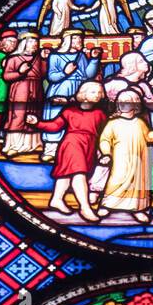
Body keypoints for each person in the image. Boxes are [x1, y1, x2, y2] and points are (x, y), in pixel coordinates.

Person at [36, 80, 107, 222]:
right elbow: (55, 126)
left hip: (89, 146)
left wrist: (103, 151)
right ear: (84, 94)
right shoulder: (70, 111)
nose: (97, 95)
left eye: (99, 92)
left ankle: (56, 199)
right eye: (93, 92)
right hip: (72, 143)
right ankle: (85, 207)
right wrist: (37, 123)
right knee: (78, 174)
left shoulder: (100, 114)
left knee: (66, 175)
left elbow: (104, 134)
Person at [98, 88, 153, 224]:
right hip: (120, 160)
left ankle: (138, 209)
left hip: (139, 161)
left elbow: (149, 137)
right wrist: (106, 154)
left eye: (127, 102)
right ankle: (108, 204)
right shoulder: (112, 123)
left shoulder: (140, 123)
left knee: (138, 184)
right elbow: (104, 140)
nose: (123, 104)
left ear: (135, 105)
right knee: (117, 179)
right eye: (121, 102)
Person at [42, 31, 101, 160]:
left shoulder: (81, 56)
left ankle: (73, 147)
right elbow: (52, 76)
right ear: (69, 40)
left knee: (76, 118)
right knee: (55, 116)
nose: (81, 41)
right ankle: (51, 150)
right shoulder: (55, 56)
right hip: (60, 89)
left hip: (78, 89)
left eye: (81, 39)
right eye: (78, 39)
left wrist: (94, 60)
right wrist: (65, 72)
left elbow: (87, 75)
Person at [1, 32, 44, 158]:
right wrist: (20, 72)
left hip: (36, 88)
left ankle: (34, 145)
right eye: (31, 41)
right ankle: (14, 146)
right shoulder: (13, 59)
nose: (35, 44)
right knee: (18, 116)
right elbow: (6, 76)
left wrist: (45, 60)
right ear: (24, 43)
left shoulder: (39, 59)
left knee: (35, 115)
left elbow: (43, 74)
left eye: (36, 42)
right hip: (20, 89)